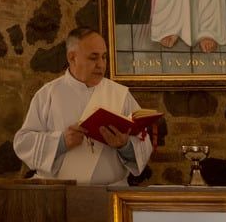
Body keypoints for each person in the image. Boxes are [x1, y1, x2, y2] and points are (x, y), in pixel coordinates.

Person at [13, 28, 152, 185]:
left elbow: (143, 143)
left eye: (104, 57)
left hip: (110, 195)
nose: (101, 65)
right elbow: (23, 143)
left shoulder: (121, 95)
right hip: (59, 195)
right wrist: (60, 142)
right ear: (72, 58)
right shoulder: (48, 94)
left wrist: (124, 145)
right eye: (93, 58)